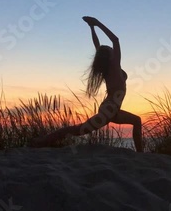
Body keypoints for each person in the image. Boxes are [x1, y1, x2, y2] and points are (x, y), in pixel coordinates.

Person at [30, 16, 143, 152]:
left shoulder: (109, 67)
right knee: (78, 130)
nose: (112, 50)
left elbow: (98, 46)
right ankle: (41, 141)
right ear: (110, 56)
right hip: (109, 110)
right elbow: (115, 40)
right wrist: (97, 23)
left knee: (136, 121)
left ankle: (140, 153)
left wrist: (92, 28)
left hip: (112, 110)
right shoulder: (113, 66)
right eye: (110, 49)